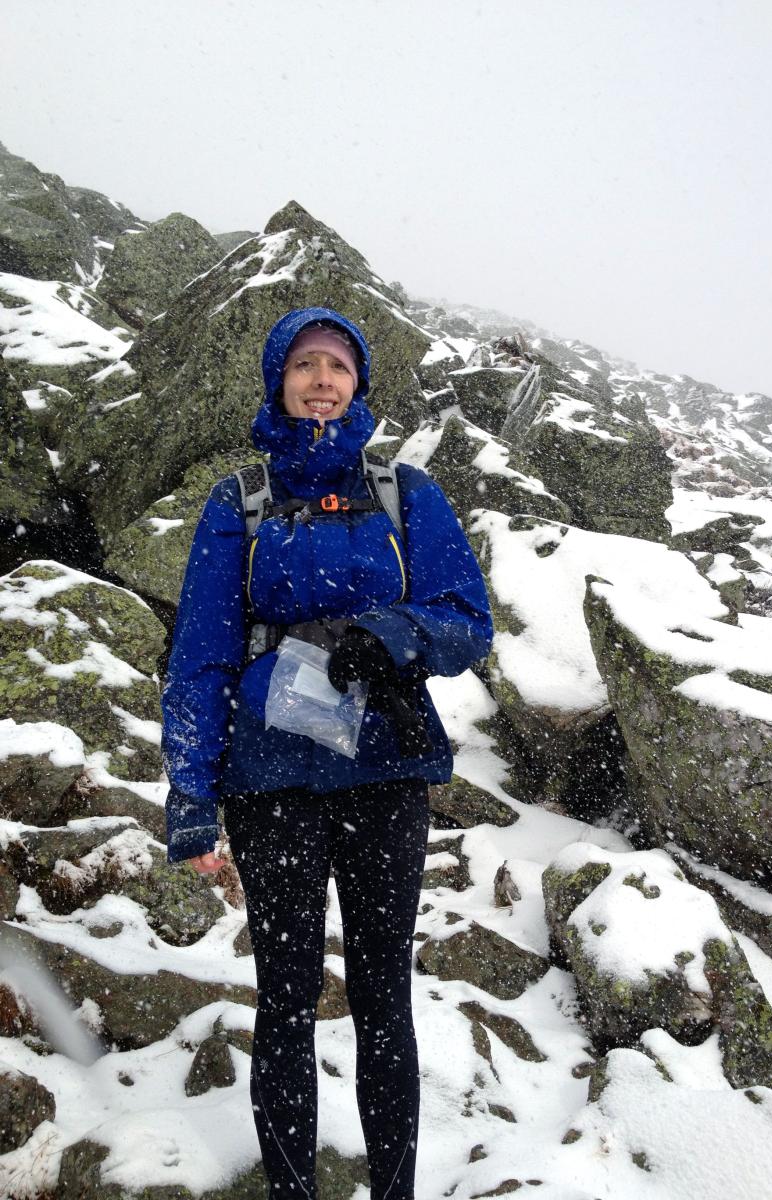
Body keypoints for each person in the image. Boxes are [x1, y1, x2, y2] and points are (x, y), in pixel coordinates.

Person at [161, 306, 493, 1200]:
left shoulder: (405, 492)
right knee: (286, 996)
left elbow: (468, 620)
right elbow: (201, 657)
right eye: (304, 364)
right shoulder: (240, 501)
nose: (321, 380)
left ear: (358, 385)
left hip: (384, 771)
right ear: (279, 381)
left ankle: (394, 1190)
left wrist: (390, 636)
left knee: (383, 993)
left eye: (337, 367)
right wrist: (191, 797)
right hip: (270, 780)